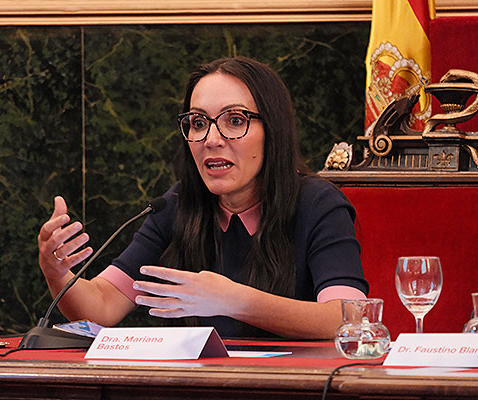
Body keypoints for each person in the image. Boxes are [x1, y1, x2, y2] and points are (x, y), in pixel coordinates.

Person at [37, 56, 368, 339]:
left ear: (273, 131)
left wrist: (235, 301)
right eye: (197, 123)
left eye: (235, 120)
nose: (211, 139)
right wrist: (57, 272)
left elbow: (349, 318)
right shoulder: (179, 204)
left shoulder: (318, 203)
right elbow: (102, 306)